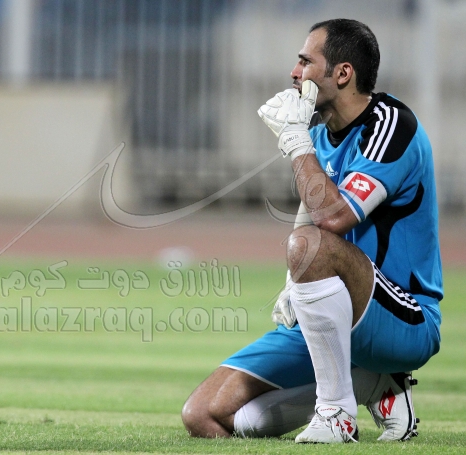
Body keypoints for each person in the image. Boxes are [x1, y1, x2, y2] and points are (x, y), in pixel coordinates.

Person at [181, 18, 442, 444]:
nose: (294, 72)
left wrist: (294, 140)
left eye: (305, 61)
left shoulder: (391, 125)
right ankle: (372, 384)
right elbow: (309, 217)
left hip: (404, 319)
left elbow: (334, 219)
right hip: (334, 315)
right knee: (204, 414)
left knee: (308, 246)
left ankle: (337, 413)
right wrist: (293, 284)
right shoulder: (320, 136)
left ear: (342, 73)